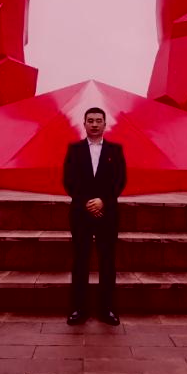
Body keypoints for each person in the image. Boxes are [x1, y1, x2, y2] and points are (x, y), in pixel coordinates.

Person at [62, 107, 127, 326]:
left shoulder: (115, 150)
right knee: (80, 260)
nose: (95, 124)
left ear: (105, 124)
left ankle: (107, 309)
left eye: (99, 120)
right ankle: (78, 309)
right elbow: (68, 180)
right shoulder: (74, 149)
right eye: (90, 121)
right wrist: (87, 203)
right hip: (80, 213)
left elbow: (120, 180)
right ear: (84, 124)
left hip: (107, 214)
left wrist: (103, 201)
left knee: (107, 261)